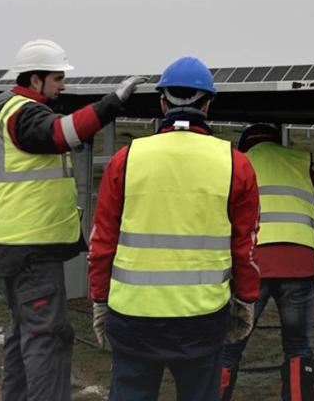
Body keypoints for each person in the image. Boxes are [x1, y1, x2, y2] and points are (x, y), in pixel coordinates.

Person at [87, 56, 261, 401]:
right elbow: (246, 246)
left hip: (133, 316)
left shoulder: (126, 159)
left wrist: (99, 300)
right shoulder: (235, 163)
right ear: (208, 104)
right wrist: (245, 299)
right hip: (202, 319)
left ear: (162, 102)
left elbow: (102, 241)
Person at [0, 39, 144, 401]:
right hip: (31, 249)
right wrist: (111, 104)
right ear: (35, 79)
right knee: (47, 337)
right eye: (57, 78)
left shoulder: (8, 109)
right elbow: (61, 132)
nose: (63, 85)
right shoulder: (24, 113)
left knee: (23, 333)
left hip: (14, 245)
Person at [220, 122, 314, 401]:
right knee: (298, 347)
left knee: (229, 346)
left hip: (251, 266)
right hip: (299, 266)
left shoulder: (236, 167)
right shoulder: (303, 165)